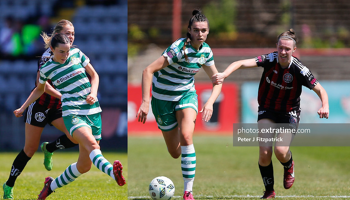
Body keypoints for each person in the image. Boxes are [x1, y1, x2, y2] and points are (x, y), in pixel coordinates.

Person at [212, 29, 329, 199]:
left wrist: (325, 105)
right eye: (280, 48)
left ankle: (288, 165)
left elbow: (320, 89)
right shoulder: (269, 59)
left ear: (294, 50)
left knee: (280, 151)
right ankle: (269, 191)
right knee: (265, 152)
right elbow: (240, 63)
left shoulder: (300, 69)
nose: (283, 52)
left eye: (287, 49)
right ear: (276, 46)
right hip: (267, 108)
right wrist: (224, 74)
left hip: (289, 112)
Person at [13, 33, 125, 200]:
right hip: (72, 112)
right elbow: (39, 89)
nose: (65, 55)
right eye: (61, 52)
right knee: (93, 145)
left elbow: (94, 76)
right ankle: (113, 172)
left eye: (67, 51)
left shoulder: (77, 54)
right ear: (52, 49)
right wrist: (23, 107)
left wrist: (93, 93)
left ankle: (49, 186)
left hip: (93, 110)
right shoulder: (47, 68)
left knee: (84, 166)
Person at [136, 9, 222, 200]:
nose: (200, 34)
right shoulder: (178, 50)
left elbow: (217, 81)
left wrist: (209, 103)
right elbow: (147, 71)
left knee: (186, 136)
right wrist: (145, 101)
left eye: (204, 30)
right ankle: (185, 152)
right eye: (196, 30)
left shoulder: (206, 52)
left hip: (186, 95)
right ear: (189, 31)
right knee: (175, 152)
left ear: (208, 32)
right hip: (162, 99)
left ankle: (188, 192)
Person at [2, 19, 79, 200]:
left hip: (57, 107)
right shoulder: (47, 56)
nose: (71, 36)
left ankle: (50, 148)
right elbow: (41, 85)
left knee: (76, 135)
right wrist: (63, 96)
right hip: (40, 105)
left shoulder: (74, 54)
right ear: (58, 35)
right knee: (29, 149)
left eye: (73, 33)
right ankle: (9, 184)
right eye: (68, 33)